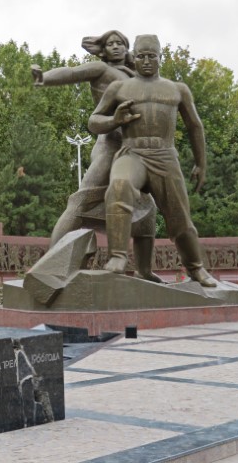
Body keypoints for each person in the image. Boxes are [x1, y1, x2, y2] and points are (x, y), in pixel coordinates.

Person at [32, 30, 162, 283]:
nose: (115, 47)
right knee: (81, 201)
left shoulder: (136, 75)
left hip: (133, 151)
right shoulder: (101, 70)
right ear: (102, 49)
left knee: (147, 209)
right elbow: (70, 73)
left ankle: (144, 270)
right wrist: (43, 79)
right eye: (110, 44)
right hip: (109, 144)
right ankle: (50, 261)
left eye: (120, 44)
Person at [89, 34, 218, 287]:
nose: (146, 61)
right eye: (141, 56)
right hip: (132, 152)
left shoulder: (177, 89)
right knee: (119, 187)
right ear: (133, 58)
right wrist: (115, 120)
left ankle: (196, 268)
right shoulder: (119, 88)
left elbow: (195, 126)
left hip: (164, 156)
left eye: (152, 56)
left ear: (160, 58)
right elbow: (94, 122)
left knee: (179, 216)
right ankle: (117, 256)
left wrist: (201, 164)